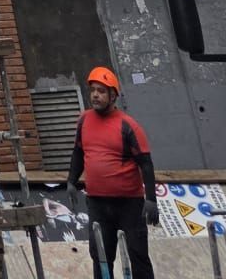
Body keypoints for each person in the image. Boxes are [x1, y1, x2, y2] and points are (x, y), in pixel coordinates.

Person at [67, 64, 159, 279]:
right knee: (100, 256)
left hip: (129, 204)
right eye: (93, 91)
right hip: (98, 203)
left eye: (101, 91)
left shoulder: (128, 126)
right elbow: (78, 153)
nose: (95, 95)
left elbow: (145, 163)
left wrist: (152, 200)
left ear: (113, 96)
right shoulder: (84, 120)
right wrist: (71, 181)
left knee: (137, 254)